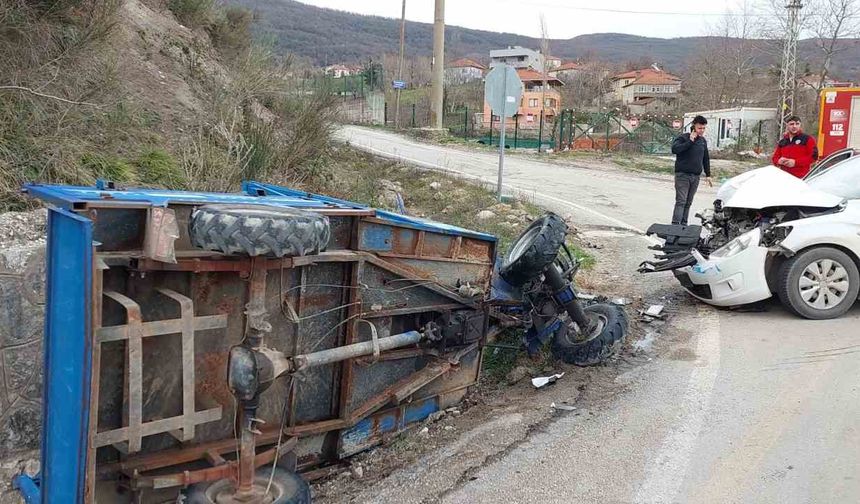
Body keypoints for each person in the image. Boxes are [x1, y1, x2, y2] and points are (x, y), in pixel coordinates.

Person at [671, 115, 712, 226]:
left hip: (695, 177)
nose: (701, 131)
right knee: (681, 201)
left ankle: (684, 225)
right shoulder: (683, 137)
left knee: (688, 202)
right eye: (699, 128)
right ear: (694, 126)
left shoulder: (702, 141)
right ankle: (675, 225)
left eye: (703, 128)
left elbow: (705, 158)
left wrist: (708, 174)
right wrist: (690, 141)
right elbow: (675, 149)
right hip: (683, 175)